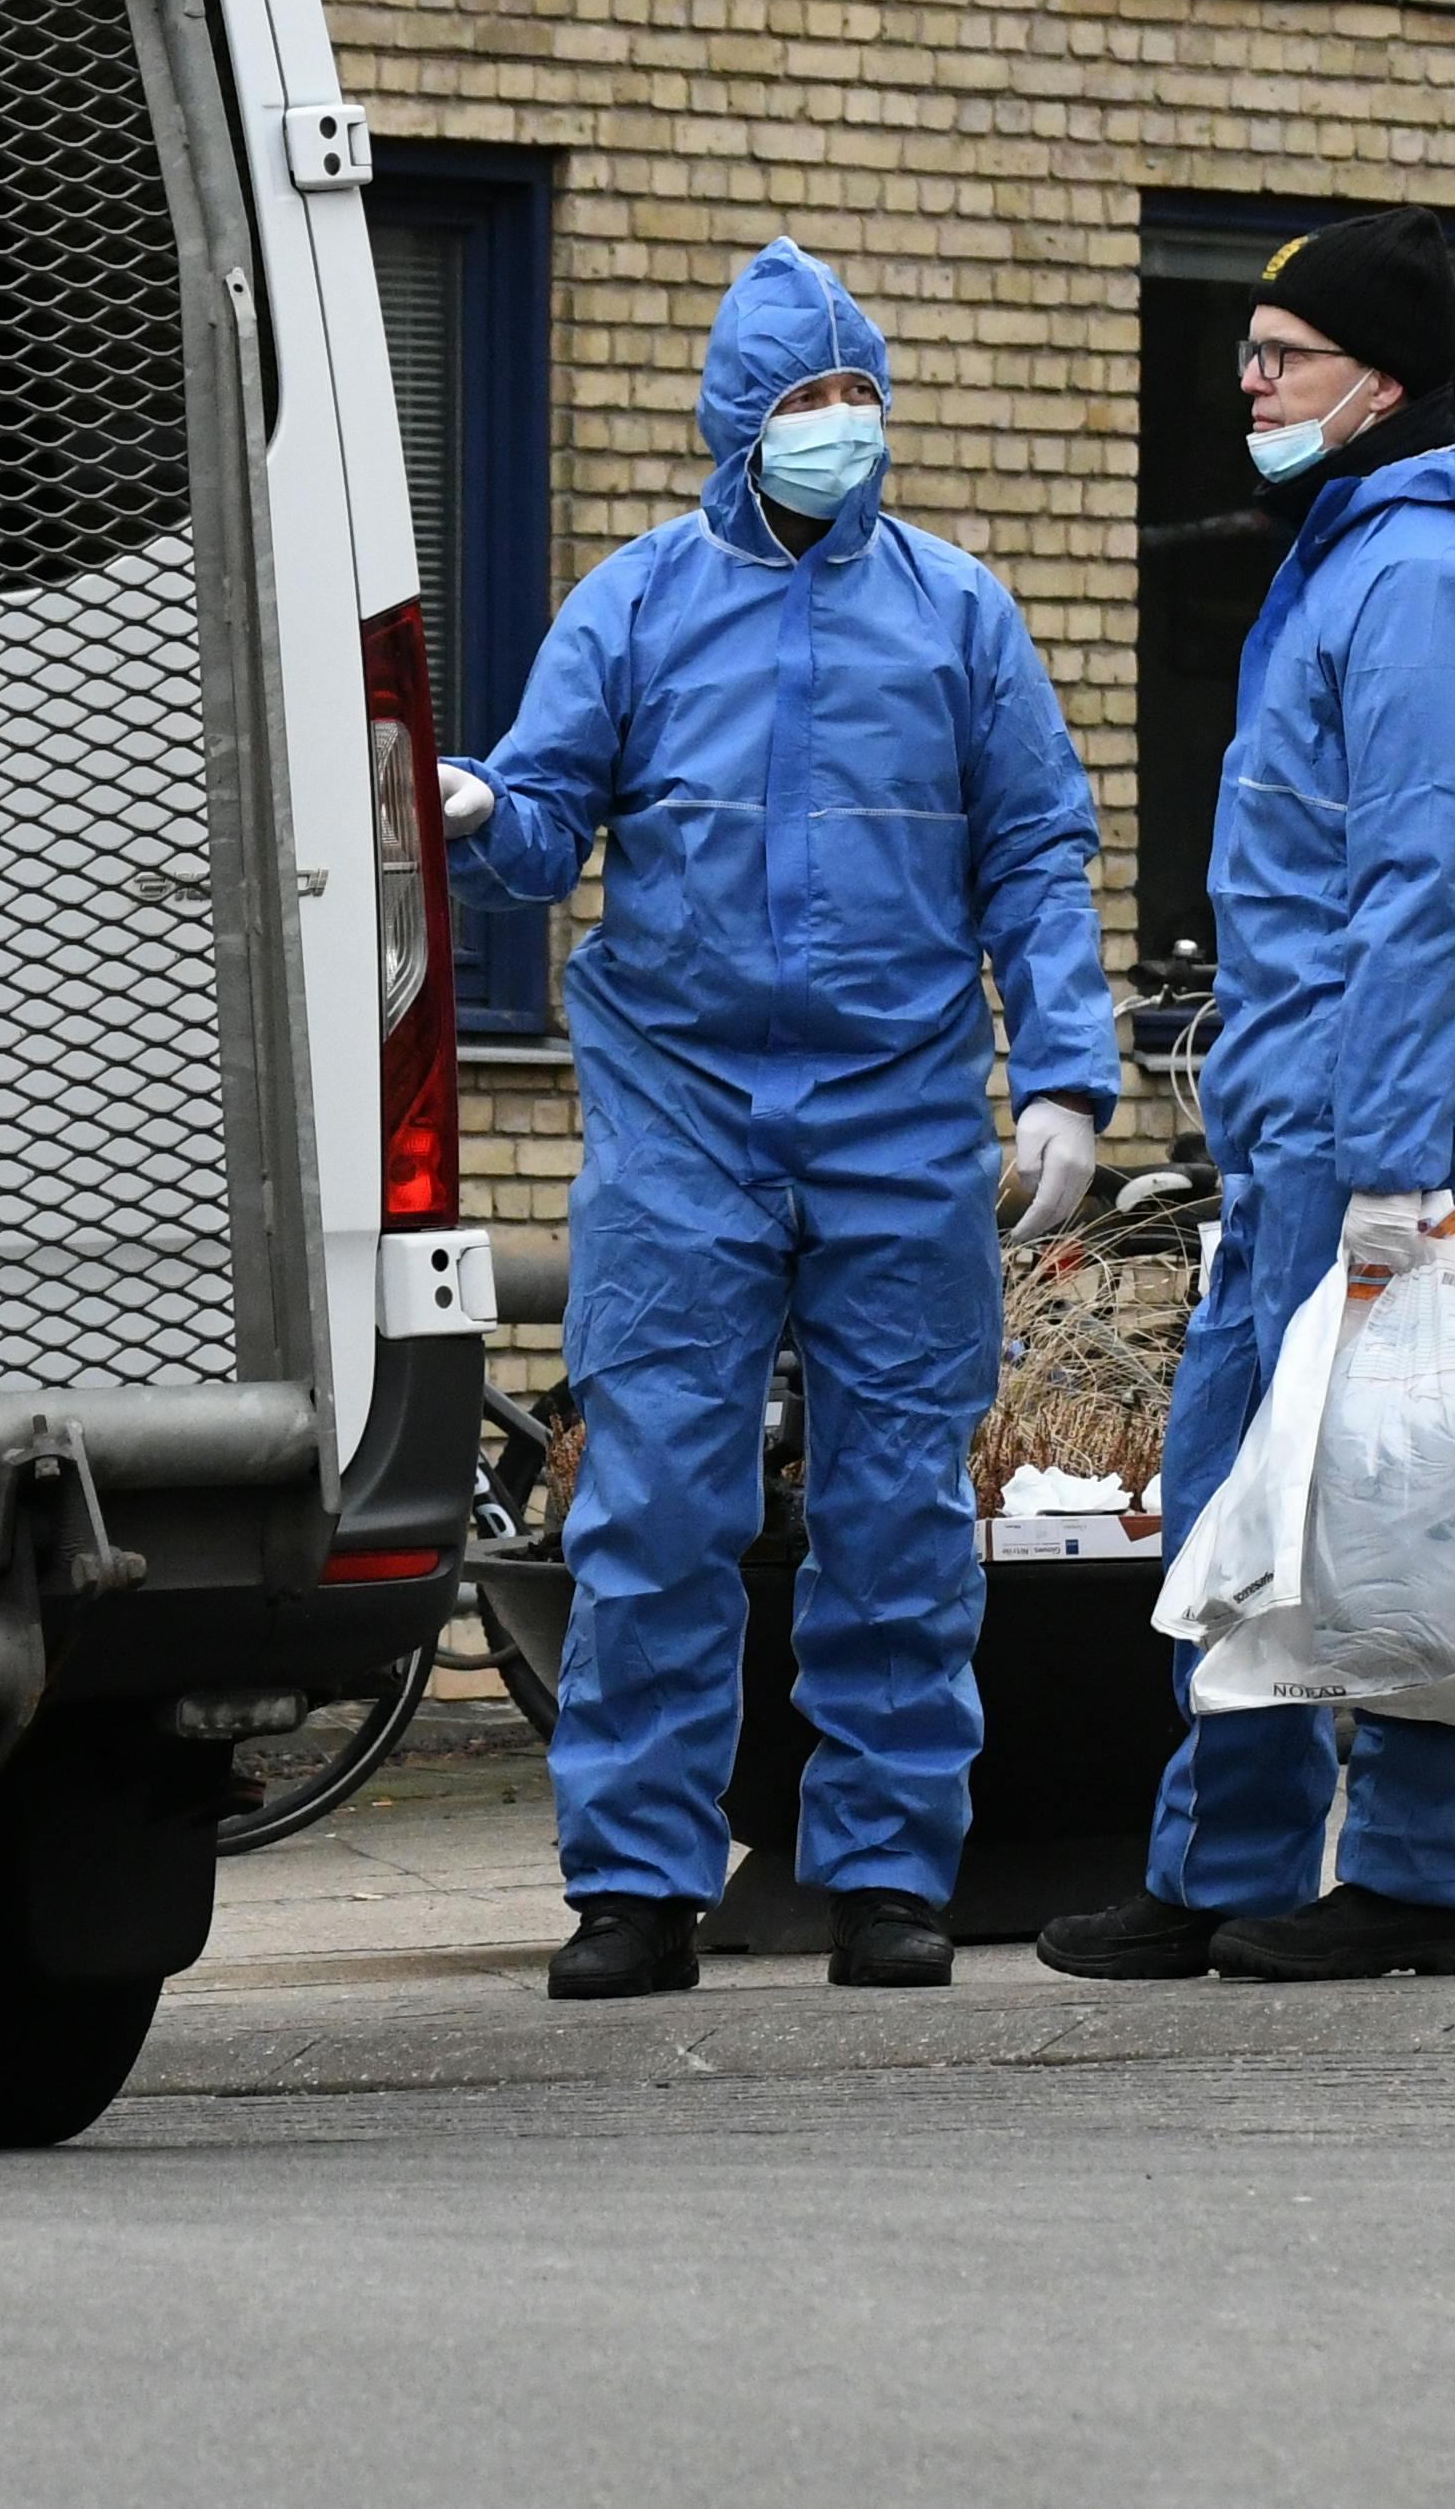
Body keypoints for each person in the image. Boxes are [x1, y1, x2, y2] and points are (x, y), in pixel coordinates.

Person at [444, 237, 1123, 2000]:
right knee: (656, 1498)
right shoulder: (638, 605)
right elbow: (542, 820)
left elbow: (1038, 855)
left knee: (898, 1499)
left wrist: (1060, 1070)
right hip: (682, 1111)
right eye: (811, 401)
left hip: (899, 1110)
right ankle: (637, 1887)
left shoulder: (957, 613)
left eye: (859, 395)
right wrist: (467, 801)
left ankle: (888, 1873)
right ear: (740, 423)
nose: (845, 426)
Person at [1039, 206, 1455, 1986]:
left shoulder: (1424, 579)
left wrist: (1387, 1162)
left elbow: (1423, 890)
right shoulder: (1357, 549)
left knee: (1409, 1490)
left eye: (1282, 358)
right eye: (1250, 357)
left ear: (1381, 382)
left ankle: (1430, 1881)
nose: (1249, 384)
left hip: (1384, 1108)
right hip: (1314, 1100)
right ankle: (1234, 1863)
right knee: (1248, 1492)